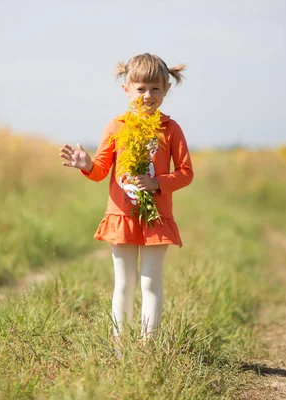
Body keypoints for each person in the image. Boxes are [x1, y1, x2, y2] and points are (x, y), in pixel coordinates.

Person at [59, 53, 193, 341]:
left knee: (150, 283)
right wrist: (86, 165)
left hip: (156, 218)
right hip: (121, 217)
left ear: (167, 90)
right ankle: (120, 346)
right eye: (141, 88)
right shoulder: (116, 126)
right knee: (124, 283)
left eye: (156, 89)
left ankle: (149, 346)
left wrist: (156, 182)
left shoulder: (170, 129)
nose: (148, 96)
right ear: (126, 89)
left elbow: (185, 173)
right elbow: (99, 171)